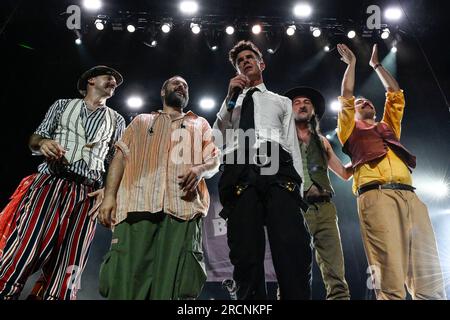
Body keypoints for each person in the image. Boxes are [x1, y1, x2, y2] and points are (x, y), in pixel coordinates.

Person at [0, 65, 126, 300]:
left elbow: (115, 161)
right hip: (51, 184)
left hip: (86, 193)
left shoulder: (117, 120)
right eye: (109, 77)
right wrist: (43, 143)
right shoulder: (61, 105)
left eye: (116, 82)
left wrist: (108, 192)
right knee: (25, 248)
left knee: (71, 261)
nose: (114, 83)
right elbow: (35, 138)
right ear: (91, 81)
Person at [336, 43, 446, 300]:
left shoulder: (388, 129)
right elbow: (348, 95)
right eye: (360, 103)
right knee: (389, 273)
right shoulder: (349, 131)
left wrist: (377, 65)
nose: (365, 102)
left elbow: (395, 94)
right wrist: (352, 65)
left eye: (368, 101)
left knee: (428, 273)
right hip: (376, 195)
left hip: (411, 196)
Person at [97, 75, 220, 300]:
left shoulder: (200, 123)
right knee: (125, 287)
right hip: (136, 207)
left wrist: (200, 170)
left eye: (185, 85)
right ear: (163, 92)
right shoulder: (141, 121)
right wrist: (109, 197)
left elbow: (214, 159)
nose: (181, 87)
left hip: (182, 211)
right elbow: (120, 157)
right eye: (175, 83)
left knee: (173, 289)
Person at [213, 40, 312, 300]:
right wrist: (227, 101)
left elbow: (291, 144)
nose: (245, 62)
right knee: (245, 253)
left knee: (292, 246)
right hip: (239, 169)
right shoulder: (230, 105)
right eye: (239, 61)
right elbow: (217, 139)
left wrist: (298, 189)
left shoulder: (280, 102)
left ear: (261, 63)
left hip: (278, 167)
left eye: (249, 57)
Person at [284, 86, 351, 300]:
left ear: (313, 110)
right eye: (297, 102)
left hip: (325, 209)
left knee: (335, 272)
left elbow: (344, 173)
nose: (302, 105)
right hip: (295, 208)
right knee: (293, 271)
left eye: (307, 102)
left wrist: (363, 156)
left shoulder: (322, 141)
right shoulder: (280, 139)